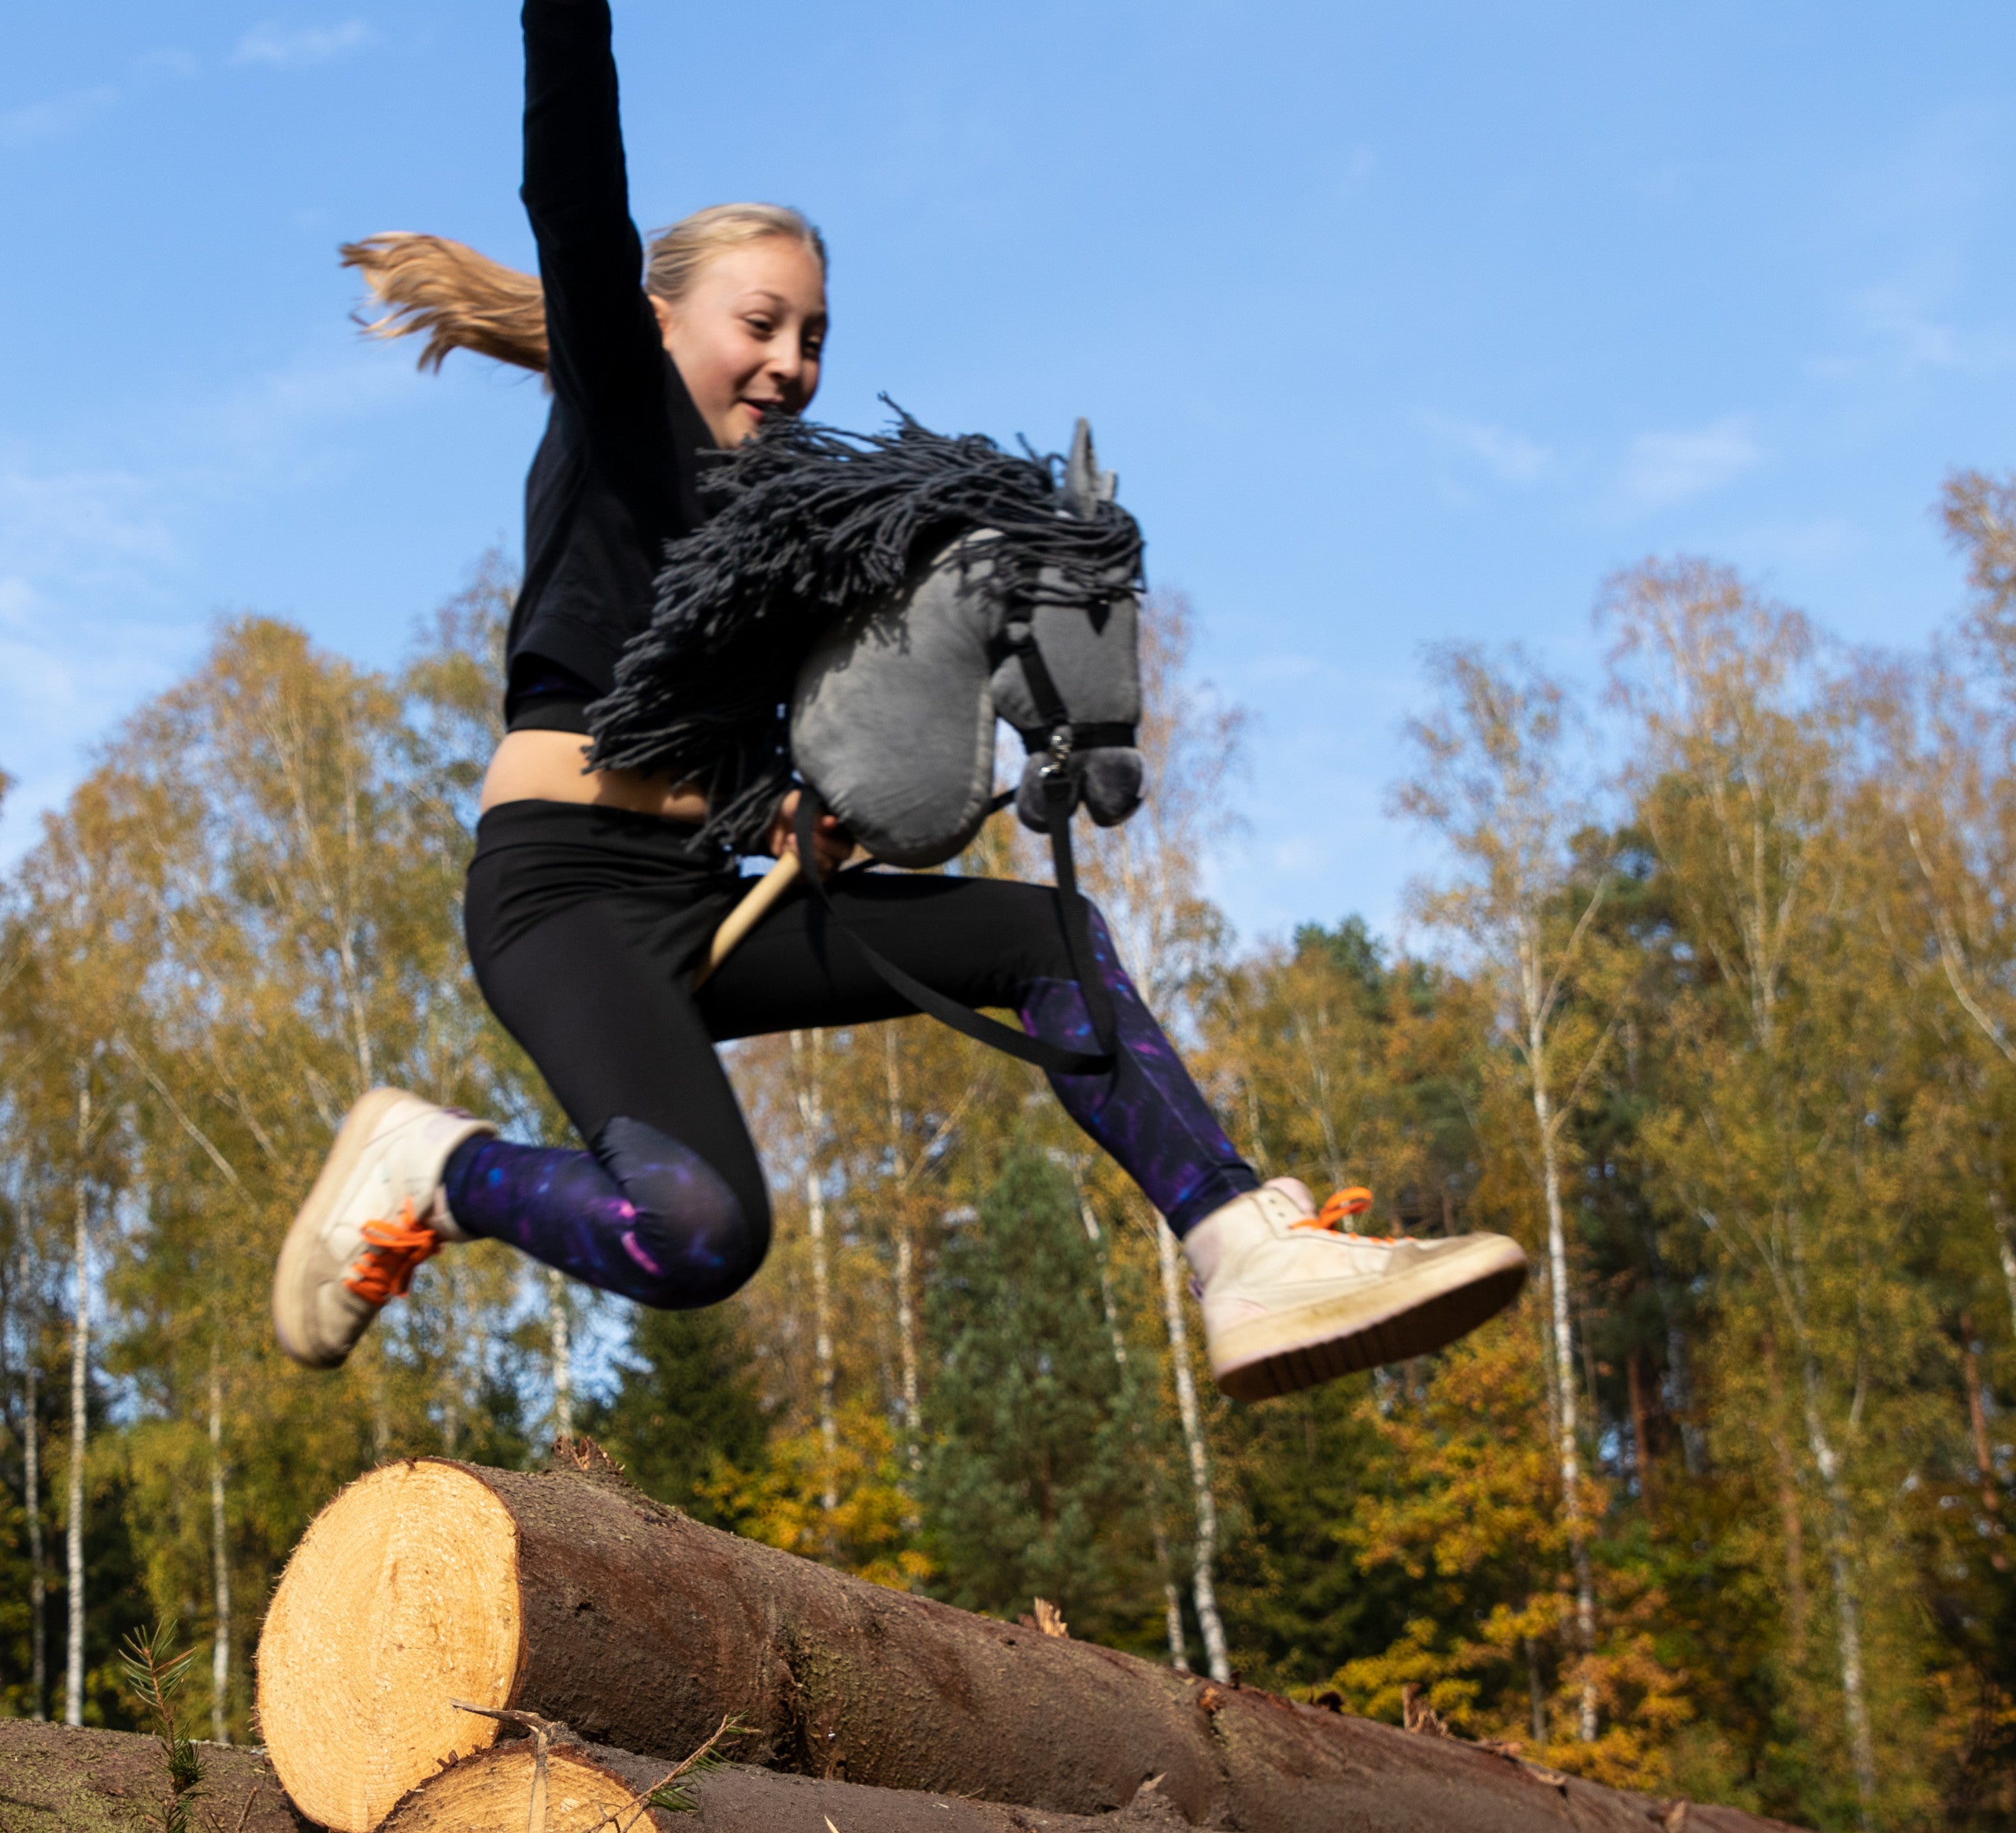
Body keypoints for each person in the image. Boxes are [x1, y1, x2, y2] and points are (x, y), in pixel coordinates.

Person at [272, 0, 1529, 1405]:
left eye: (813, 335)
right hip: (565, 896)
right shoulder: (622, 427)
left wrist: (807, 803)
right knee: (694, 1234)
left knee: (1043, 930)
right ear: (655, 317)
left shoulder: (798, 526)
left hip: (707, 892)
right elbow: (574, 188)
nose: (793, 363)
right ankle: (438, 1165)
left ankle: (1244, 1251)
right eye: (761, 322)